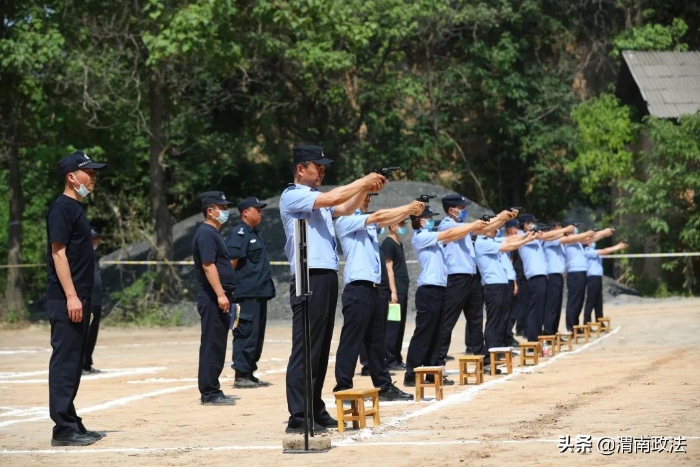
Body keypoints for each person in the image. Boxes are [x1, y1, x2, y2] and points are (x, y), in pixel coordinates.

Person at [279, 144, 386, 434]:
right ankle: (299, 416)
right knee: (306, 348)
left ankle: (314, 408)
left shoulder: (315, 197)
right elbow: (334, 198)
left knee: (321, 347)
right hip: (308, 276)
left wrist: (366, 190)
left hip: (325, 275)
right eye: (318, 167)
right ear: (301, 169)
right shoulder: (293, 195)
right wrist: (363, 180)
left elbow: (342, 207)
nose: (322, 172)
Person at [333, 193, 421, 401]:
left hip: (374, 288)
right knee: (351, 340)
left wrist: (408, 211)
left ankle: (383, 386)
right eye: (363, 196)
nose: (367, 200)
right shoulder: (345, 220)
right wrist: (408, 208)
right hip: (357, 287)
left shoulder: (368, 222)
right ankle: (343, 386)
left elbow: (387, 219)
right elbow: (381, 217)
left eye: (368, 197)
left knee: (376, 342)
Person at [46, 150, 106, 446]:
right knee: (65, 362)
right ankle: (63, 429)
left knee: (74, 362)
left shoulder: (76, 209)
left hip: (79, 296)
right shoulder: (62, 208)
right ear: (72, 177)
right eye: (89, 172)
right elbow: (59, 253)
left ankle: (72, 421)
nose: (93, 177)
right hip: (66, 298)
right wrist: (71, 296)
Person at [403, 206, 489, 387]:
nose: (431, 221)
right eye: (427, 217)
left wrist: (477, 225)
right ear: (419, 220)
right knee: (424, 333)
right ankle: (411, 373)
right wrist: (472, 224)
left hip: (441, 288)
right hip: (428, 290)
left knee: (438, 333)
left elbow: (454, 235)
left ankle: (432, 372)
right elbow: (449, 233)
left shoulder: (435, 239)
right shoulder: (421, 237)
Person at [193, 191, 237, 406]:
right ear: (210, 211)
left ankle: (213, 388)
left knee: (218, 344)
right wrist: (220, 294)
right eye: (222, 207)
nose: (226, 211)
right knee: (212, 344)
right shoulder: (206, 234)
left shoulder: (214, 233)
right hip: (212, 297)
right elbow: (208, 265)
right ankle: (209, 392)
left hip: (220, 296)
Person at [225, 196, 275, 389]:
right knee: (245, 332)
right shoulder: (239, 233)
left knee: (256, 335)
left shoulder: (255, 233)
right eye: (257, 209)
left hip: (259, 293)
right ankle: (241, 374)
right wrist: (228, 291)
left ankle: (249, 372)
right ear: (246, 212)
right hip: (245, 293)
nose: (260, 213)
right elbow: (231, 263)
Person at [475, 228, 535, 372]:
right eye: (493, 228)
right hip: (492, 285)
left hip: (500, 284)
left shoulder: (491, 240)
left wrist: (525, 235)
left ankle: (497, 352)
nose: (496, 230)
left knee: (501, 321)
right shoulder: (482, 242)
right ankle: (490, 357)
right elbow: (507, 246)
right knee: (494, 322)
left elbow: (509, 240)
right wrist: (527, 240)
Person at [517, 214, 574, 342]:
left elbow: (548, 236)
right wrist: (564, 230)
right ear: (526, 225)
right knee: (535, 311)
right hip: (534, 277)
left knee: (539, 311)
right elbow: (545, 236)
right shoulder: (523, 236)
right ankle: (533, 339)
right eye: (532, 223)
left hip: (542, 276)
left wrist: (563, 233)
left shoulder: (534, 238)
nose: (534, 225)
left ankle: (537, 338)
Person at [542, 220, 594, 335]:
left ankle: (554, 331)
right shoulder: (550, 240)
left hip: (560, 274)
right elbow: (569, 238)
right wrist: (582, 233)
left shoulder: (561, 239)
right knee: (554, 305)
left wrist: (594, 234)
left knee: (559, 305)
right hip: (554, 274)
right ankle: (550, 331)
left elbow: (585, 239)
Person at [564, 226, 614, 331]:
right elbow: (588, 238)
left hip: (581, 273)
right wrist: (602, 232)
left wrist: (602, 233)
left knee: (579, 302)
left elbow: (591, 239)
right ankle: (571, 327)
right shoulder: (568, 240)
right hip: (574, 273)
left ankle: (576, 326)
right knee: (574, 301)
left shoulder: (577, 242)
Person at [382, 219, 410, 370]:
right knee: (393, 326)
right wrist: (393, 291)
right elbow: (389, 269)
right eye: (401, 224)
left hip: (402, 290)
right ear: (392, 226)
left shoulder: (399, 244)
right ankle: (390, 359)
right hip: (395, 291)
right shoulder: (388, 243)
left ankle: (397, 357)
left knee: (400, 326)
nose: (403, 227)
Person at [583, 239, 628, 325]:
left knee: (598, 301)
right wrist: (618, 246)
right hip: (592, 277)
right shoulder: (588, 251)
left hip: (598, 277)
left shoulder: (592, 250)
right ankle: (586, 321)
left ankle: (599, 320)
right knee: (591, 300)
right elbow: (604, 251)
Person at [83, 229, 103, 375]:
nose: (95, 242)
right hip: (87, 300)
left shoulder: (94, 257)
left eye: (96, 239)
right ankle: (79, 365)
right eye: (93, 239)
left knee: (92, 334)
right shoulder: (81, 256)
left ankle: (87, 363)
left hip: (96, 300)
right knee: (84, 333)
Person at [505, 220, 528, 338]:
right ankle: (508, 335)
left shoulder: (515, 242)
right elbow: (509, 263)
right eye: (515, 229)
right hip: (513, 278)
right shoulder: (508, 244)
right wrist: (514, 282)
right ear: (509, 229)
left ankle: (510, 334)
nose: (518, 231)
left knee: (518, 308)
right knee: (512, 310)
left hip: (519, 277)